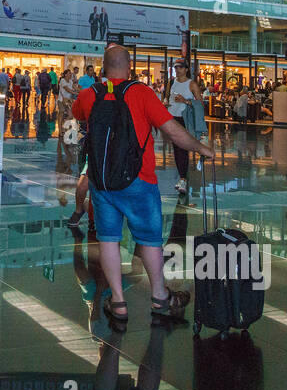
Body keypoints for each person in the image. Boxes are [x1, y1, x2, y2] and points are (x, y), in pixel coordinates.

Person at [73, 44, 214, 328]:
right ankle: (160, 297)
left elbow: (78, 114)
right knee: (149, 241)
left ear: (103, 67)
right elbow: (173, 132)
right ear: (129, 66)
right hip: (139, 180)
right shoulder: (142, 93)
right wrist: (201, 148)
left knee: (108, 240)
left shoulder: (90, 95)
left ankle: (118, 302)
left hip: (102, 183)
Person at [162, 60, 203, 200]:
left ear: (186, 69)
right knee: (177, 148)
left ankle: (183, 179)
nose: (177, 70)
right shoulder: (171, 83)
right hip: (172, 118)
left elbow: (200, 104)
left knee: (181, 149)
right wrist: (165, 103)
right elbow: (166, 98)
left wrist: (185, 101)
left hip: (184, 119)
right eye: (175, 68)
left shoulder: (191, 84)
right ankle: (182, 178)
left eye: (180, 67)